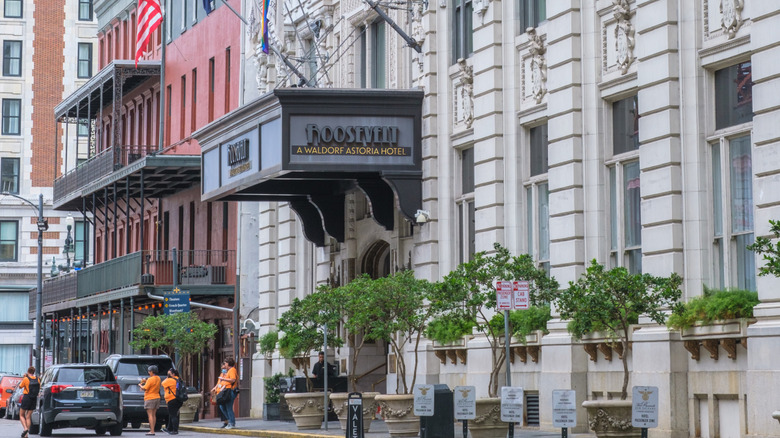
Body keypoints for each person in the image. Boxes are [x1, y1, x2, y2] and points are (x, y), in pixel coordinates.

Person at [139, 365, 161, 436]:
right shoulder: (158, 378)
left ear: (152, 371)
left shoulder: (150, 379)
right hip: (157, 397)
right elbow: (152, 383)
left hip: (150, 398)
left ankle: (152, 431)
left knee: (150, 415)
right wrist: (146, 380)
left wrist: (140, 385)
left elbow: (145, 388)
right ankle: (153, 430)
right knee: (154, 415)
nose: (148, 373)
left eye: (149, 371)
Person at [215, 358, 238, 429]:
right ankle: (229, 421)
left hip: (230, 390)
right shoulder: (228, 371)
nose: (224, 364)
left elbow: (233, 379)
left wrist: (224, 379)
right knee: (222, 406)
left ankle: (232, 423)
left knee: (228, 407)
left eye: (225, 363)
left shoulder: (232, 370)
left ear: (228, 363)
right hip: (226, 390)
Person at [18, 367, 39, 438]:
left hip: (26, 397)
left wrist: (24, 377)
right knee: (28, 416)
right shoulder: (38, 379)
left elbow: (20, 386)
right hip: (34, 399)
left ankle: (25, 429)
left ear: (28, 371)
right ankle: (26, 434)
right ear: (34, 372)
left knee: (21, 415)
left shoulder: (26, 379)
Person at [161, 369, 182, 435]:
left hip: (171, 399)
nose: (168, 375)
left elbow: (162, 383)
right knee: (172, 414)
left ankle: (175, 430)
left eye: (169, 374)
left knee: (173, 415)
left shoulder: (170, 380)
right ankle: (169, 428)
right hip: (178, 399)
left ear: (173, 374)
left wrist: (168, 377)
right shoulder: (178, 379)